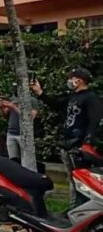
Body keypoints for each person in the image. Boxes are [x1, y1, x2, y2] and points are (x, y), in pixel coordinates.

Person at [31, 68, 103, 207]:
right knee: (72, 178)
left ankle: (78, 207)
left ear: (79, 80)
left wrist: (87, 142)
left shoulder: (91, 98)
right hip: (68, 143)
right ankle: (75, 206)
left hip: (79, 146)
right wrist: (39, 92)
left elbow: (95, 121)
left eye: (72, 78)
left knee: (80, 180)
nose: (69, 81)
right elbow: (56, 105)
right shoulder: (72, 96)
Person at [0, 85, 39, 162]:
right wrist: (2, 108)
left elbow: (30, 117)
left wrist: (14, 107)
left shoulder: (32, 100)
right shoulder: (12, 99)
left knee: (26, 160)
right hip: (11, 133)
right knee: (13, 160)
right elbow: (5, 116)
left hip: (24, 134)